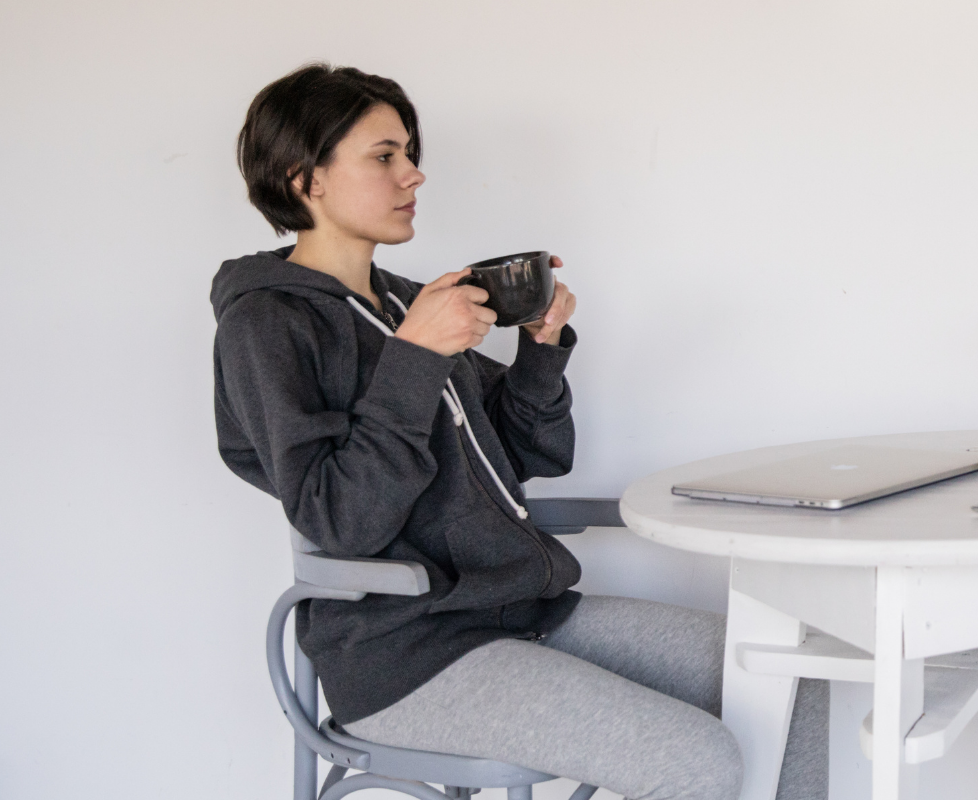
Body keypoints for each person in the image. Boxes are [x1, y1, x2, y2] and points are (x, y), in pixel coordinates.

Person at [212, 63, 826, 800]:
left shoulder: (410, 302)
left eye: (410, 153)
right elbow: (339, 518)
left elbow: (528, 455)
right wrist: (415, 355)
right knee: (693, 760)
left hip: (522, 611)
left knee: (799, 681)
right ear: (304, 177)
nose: (414, 175)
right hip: (406, 654)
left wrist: (538, 350)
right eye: (384, 157)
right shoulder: (267, 323)